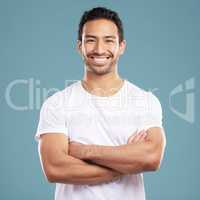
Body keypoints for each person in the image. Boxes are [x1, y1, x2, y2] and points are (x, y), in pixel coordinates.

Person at [35, 7, 166, 200]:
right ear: (79, 46)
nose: (99, 49)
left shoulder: (145, 101)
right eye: (91, 40)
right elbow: (55, 168)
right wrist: (128, 162)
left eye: (108, 40)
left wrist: (84, 151)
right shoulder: (56, 104)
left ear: (121, 46)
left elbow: (152, 157)